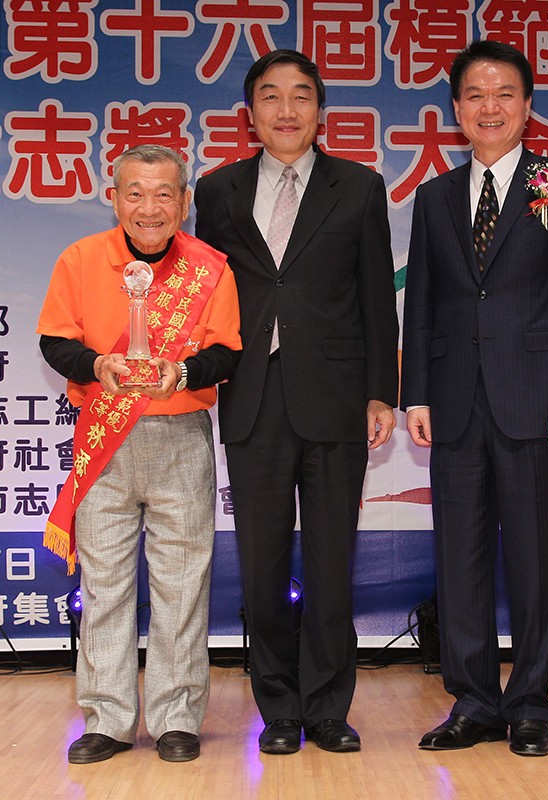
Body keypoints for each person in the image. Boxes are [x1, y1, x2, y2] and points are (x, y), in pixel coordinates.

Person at [193, 49, 398, 755]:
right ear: (250, 114)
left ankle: (329, 708)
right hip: (252, 395)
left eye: (301, 96)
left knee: (333, 562)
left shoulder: (359, 187)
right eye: (271, 97)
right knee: (263, 563)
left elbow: (377, 296)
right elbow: (204, 295)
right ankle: (278, 708)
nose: (287, 110)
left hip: (337, 395)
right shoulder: (217, 190)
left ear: (319, 111)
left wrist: (381, 392)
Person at [401, 40, 548, 757]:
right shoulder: (435, 197)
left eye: (505, 94)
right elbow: (422, 302)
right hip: (454, 401)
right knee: (459, 558)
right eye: (476, 95)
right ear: (457, 110)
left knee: (537, 558)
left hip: (539, 400)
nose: (490, 107)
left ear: (527, 105)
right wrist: (415, 394)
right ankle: (474, 702)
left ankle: (531, 705)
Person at [37, 144, 241, 764]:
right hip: (105, 439)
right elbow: (54, 340)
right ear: (114, 198)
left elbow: (227, 351)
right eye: (135, 193)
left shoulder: (211, 269)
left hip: (180, 436)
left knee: (183, 583)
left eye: (163, 194)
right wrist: (96, 364)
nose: (149, 208)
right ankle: (108, 719)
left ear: (184, 201)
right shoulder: (80, 259)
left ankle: (177, 718)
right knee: (104, 585)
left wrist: (182, 374)